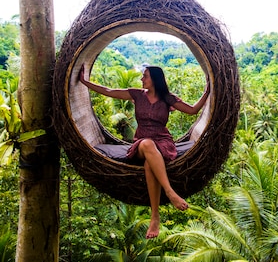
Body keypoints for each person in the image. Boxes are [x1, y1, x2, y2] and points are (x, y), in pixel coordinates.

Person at [79, 64, 210, 239]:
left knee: (150, 163)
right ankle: (169, 192)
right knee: (147, 145)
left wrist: (208, 91)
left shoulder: (167, 98)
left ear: (155, 79)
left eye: (145, 76)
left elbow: (193, 110)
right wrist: (84, 82)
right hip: (142, 142)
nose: (142, 79)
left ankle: (154, 216)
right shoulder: (137, 95)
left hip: (163, 141)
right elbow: (108, 90)